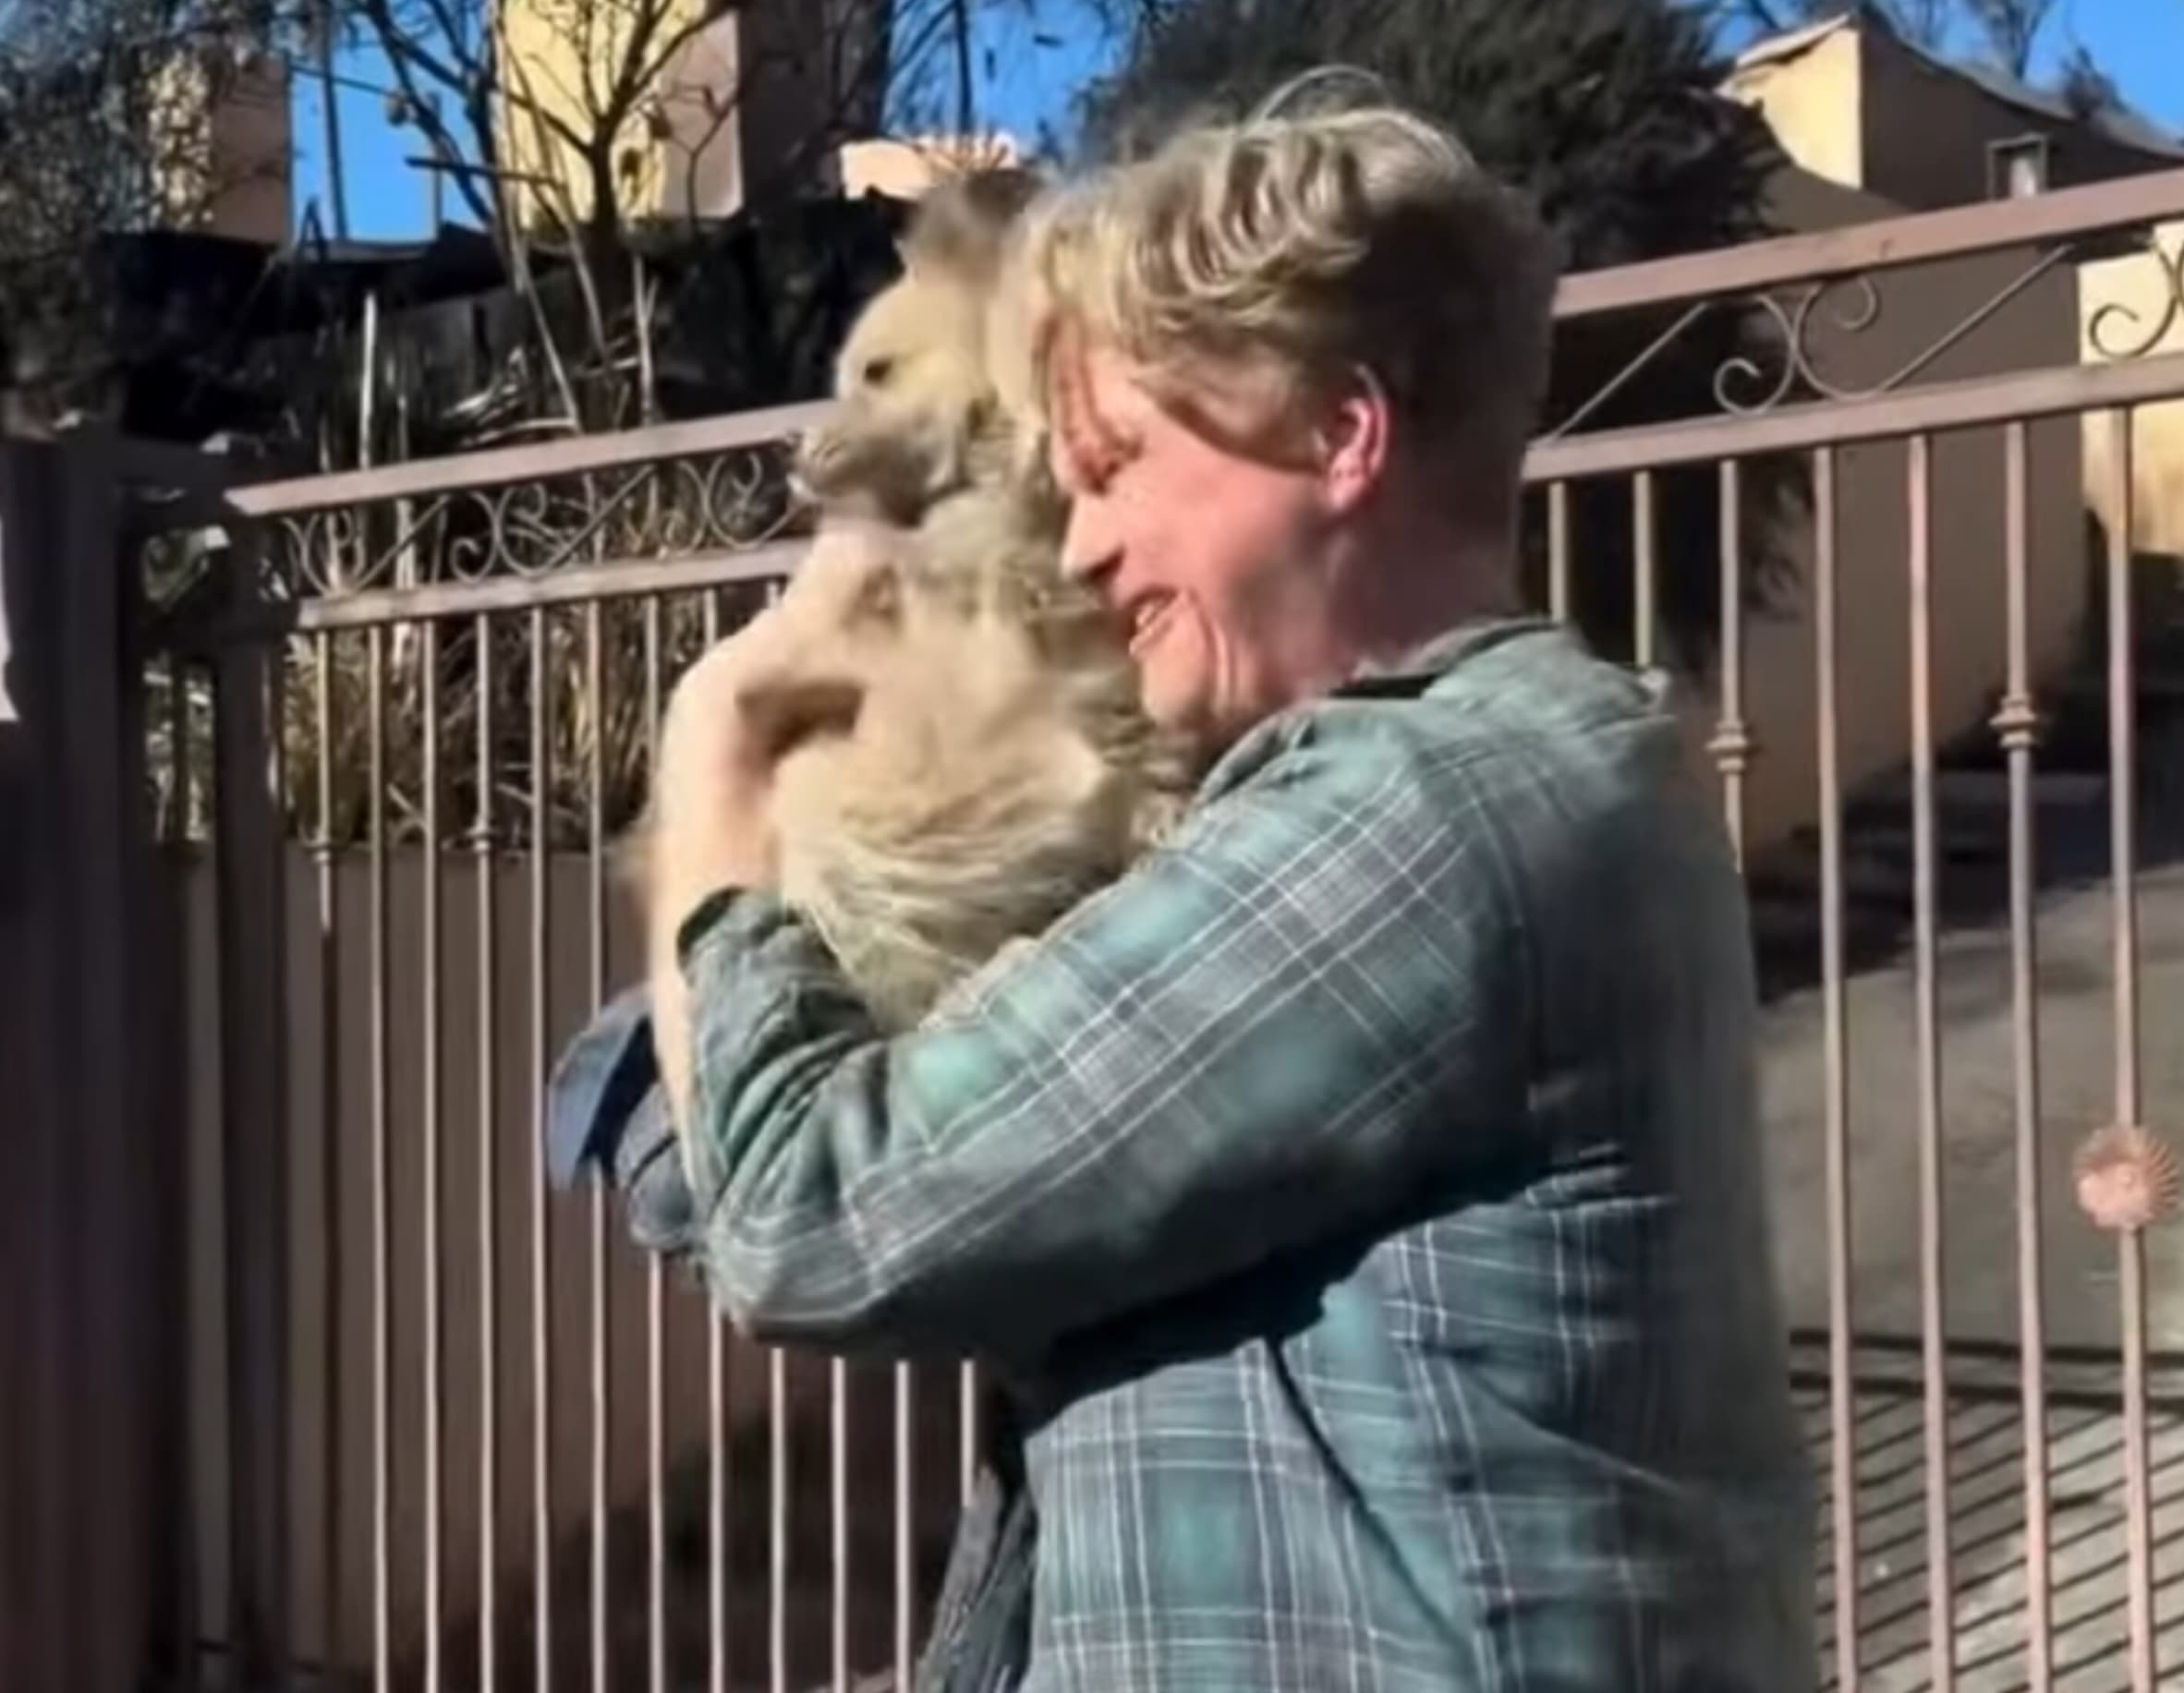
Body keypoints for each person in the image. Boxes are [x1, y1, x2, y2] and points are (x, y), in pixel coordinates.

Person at [549, 88, 1815, 1691]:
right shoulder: (1446, 801)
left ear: (1343, 433)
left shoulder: (1430, 814)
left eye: (1118, 466)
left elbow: (810, 1219)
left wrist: (721, 736)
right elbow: (715, 1178)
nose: (1080, 546)